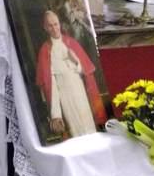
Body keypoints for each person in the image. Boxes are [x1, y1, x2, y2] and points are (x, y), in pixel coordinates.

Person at [36, 10, 107, 138]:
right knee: (75, 130)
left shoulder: (71, 42)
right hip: (64, 94)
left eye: (56, 24)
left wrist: (76, 62)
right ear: (45, 28)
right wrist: (56, 114)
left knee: (89, 125)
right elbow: (50, 85)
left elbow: (85, 71)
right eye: (50, 25)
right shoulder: (45, 50)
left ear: (59, 24)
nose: (54, 28)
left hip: (80, 89)